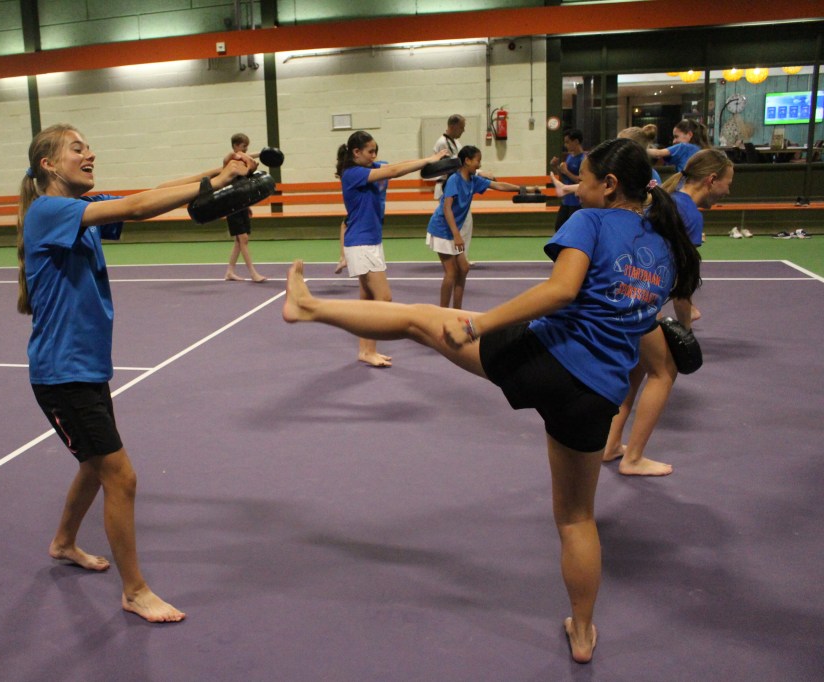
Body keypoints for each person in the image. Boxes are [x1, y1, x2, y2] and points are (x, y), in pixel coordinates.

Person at [284, 137, 700, 663]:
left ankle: (308, 307)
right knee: (577, 520)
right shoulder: (664, 243)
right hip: (596, 395)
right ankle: (583, 633)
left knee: (417, 319)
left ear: (610, 185)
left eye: (585, 180)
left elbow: (561, 291)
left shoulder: (591, 221)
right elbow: (638, 317)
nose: (578, 189)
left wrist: (480, 323)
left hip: (544, 359)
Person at [16, 123, 250, 622]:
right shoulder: (50, 211)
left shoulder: (79, 212)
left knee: (93, 465)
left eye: (89, 147)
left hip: (85, 368)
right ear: (48, 165)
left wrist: (219, 171)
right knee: (120, 477)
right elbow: (139, 207)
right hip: (63, 375)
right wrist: (221, 181)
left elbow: (155, 192)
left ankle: (63, 543)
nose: (90, 153)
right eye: (77, 148)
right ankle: (135, 591)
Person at [603, 149, 731, 476]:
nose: (728, 190)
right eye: (728, 183)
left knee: (636, 371)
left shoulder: (669, 200)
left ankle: (610, 445)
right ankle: (633, 459)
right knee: (664, 370)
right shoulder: (688, 214)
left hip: (628, 294)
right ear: (711, 180)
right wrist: (685, 331)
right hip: (637, 301)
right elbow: (681, 286)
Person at [335, 130, 449, 367]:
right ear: (356, 152)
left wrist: (428, 159)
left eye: (376, 151)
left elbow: (397, 165)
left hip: (371, 241)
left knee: (368, 300)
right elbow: (394, 172)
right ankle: (369, 350)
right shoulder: (353, 174)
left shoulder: (372, 166)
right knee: (383, 298)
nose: (374, 155)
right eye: (370, 151)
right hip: (361, 243)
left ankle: (366, 351)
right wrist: (429, 160)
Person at [426, 145, 532, 308]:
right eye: (478, 161)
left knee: (463, 268)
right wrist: (457, 235)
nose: (480, 164)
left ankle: (457, 310)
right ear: (467, 161)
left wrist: (523, 189)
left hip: (453, 231)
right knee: (451, 273)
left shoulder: (473, 180)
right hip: (442, 230)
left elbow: (498, 185)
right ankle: (443, 311)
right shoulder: (454, 180)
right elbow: (447, 208)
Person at [224, 133, 268, 283]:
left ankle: (230, 271)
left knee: (239, 241)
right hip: (231, 205)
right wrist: (259, 154)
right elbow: (240, 156)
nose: (246, 150)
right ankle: (253, 273)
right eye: (244, 146)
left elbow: (241, 186)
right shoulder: (230, 160)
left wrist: (247, 205)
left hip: (241, 204)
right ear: (236, 146)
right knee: (243, 239)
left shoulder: (243, 162)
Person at [549, 129, 586, 232]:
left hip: (577, 202)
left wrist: (566, 171)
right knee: (559, 227)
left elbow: (582, 182)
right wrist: (555, 167)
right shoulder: (569, 157)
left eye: (568, 142)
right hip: (566, 201)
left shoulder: (584, 159)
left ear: (576, 141)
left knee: (574, 230)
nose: (566, 145)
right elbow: (564, 178)